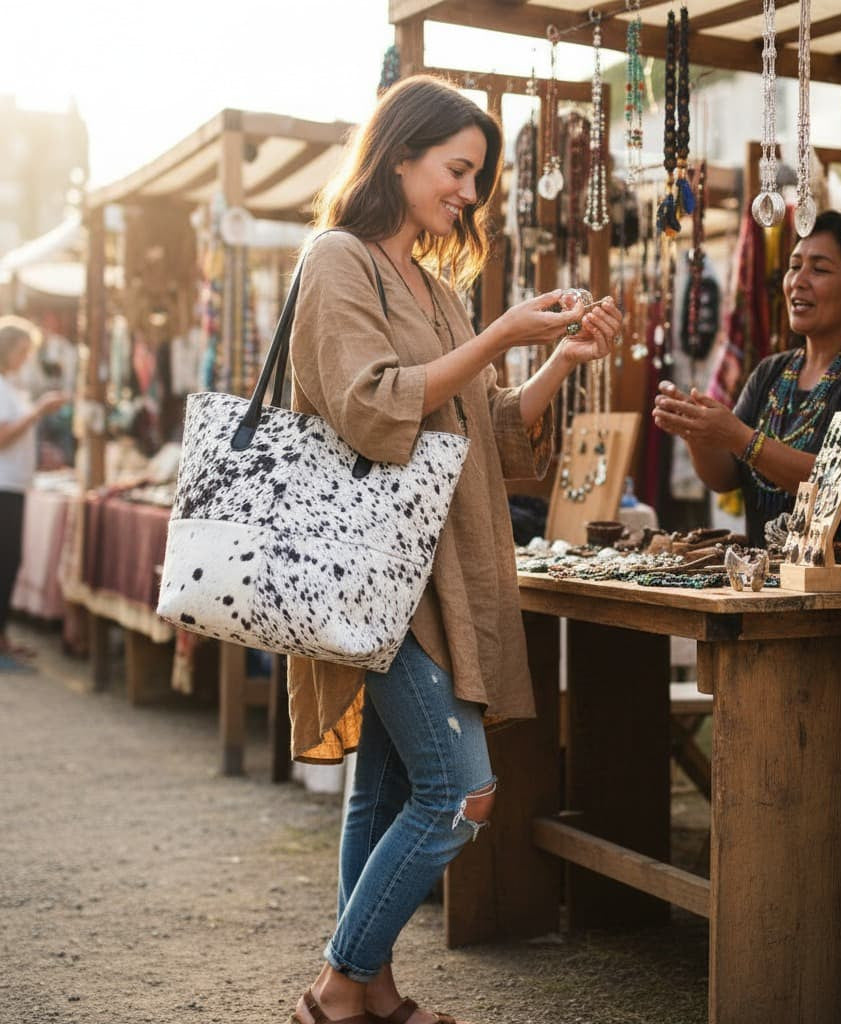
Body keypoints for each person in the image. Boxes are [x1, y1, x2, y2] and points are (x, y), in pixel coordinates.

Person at [285, 76, 622, 1024]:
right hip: (377, 575)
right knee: (459, 794)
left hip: (431, 569)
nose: (468, 194)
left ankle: (373, 994)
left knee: (387, 789)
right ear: (400, 155)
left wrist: (552, 358)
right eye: (458, 169)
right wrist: (503, 330)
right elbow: (370, 404)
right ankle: (337, 985)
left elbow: (479, 431)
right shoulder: (336, 260)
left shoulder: (434, 286)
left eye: (477, 176)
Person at [653, 210, 841, 546]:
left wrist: (741, 439)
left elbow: (837, 482)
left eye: (820, 269)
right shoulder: (771, 372)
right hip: (759, 586)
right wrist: (697, 431)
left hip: (832, 589)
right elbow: (725, 478)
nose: (799, 281)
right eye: (795, 266)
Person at [0, 316, 70, 669]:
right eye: (23, 351)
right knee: (5, 561)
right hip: (3, 487)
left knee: (10, 562)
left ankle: (3, 639)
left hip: (15, 484)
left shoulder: (13, 388)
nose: (26, 358)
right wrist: (39, 411)